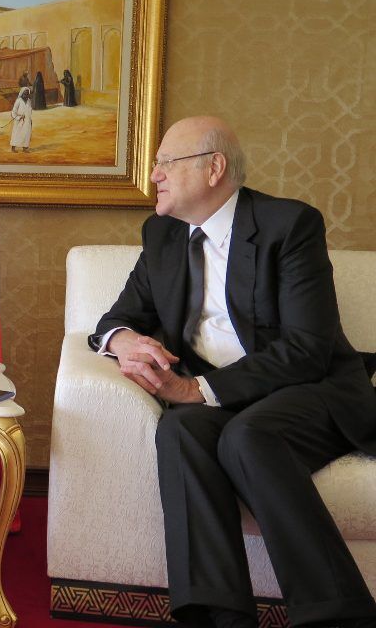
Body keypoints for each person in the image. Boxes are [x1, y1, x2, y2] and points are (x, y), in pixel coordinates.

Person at [89, 116, 376, 628]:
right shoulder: (162, 234)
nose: (153, 174)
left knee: (248, 435)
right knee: (180, 429)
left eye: (166, 162)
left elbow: (308, 349)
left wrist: (197, 388)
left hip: (312, 390)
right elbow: (116, 320)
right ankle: (220, 617)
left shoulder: (289, 225)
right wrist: (124, 340)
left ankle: (338, 616)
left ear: (214, 167)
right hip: (231, 399)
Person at [9, 86, 32, 152]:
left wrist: (30, 119)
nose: (26, 95)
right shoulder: (18, 101)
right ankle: (13, 148)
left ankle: (25, 148)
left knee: (26, 134)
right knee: (17, 133)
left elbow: (30, 111)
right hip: (19, 121)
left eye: (27, 94)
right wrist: (18, 117)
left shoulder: (29, 101)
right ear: (22, 93)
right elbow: (13, 112)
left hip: (27, 121)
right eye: (25, 93)